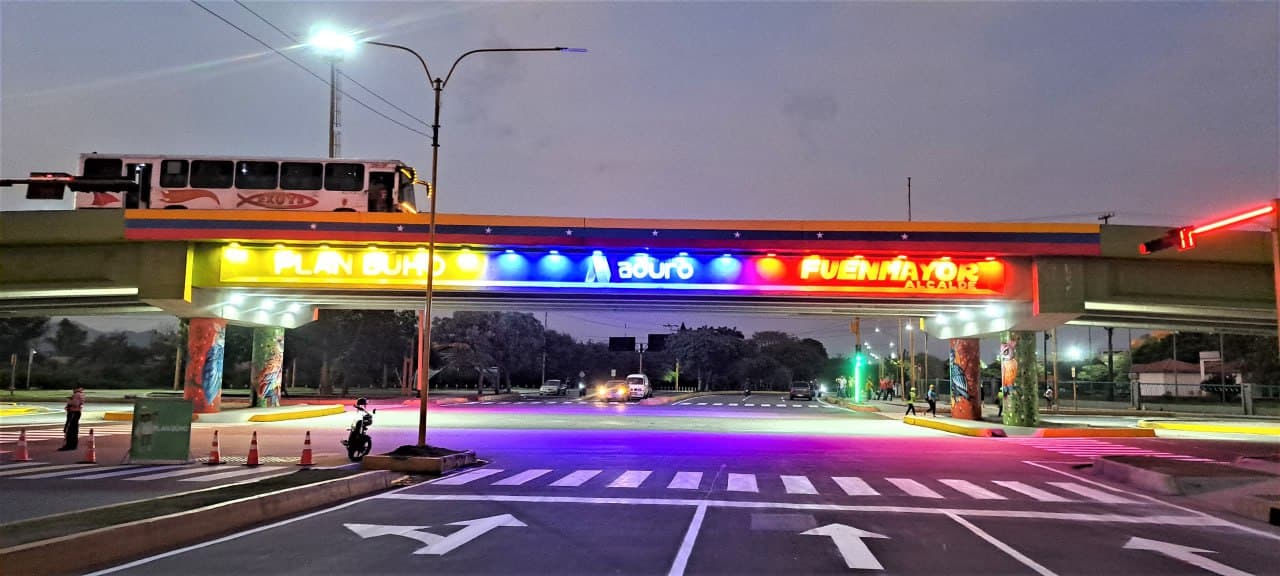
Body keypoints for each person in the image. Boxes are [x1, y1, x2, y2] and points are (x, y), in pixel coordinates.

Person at [59, 387, 85, 451]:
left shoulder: (77, 394)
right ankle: (73, 445)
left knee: (69, 429)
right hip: (76, 412)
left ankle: (69, 445)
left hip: (73, 412)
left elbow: (75, 403)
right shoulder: (81, 394)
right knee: (74, 429)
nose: (73, 390)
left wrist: (69, 400)